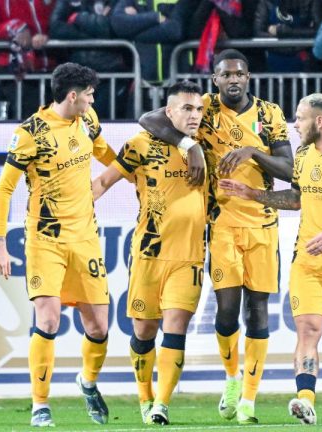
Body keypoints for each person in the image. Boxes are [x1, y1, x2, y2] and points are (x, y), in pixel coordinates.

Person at [139, 49, 294, 425]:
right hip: (221, 222)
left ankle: (248, 403)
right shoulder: (202, 109)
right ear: (216, 79)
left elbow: (290, 170)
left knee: (257, 312)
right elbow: (147, 119)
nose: (234, 80)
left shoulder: (269, 115)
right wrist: (188, 145)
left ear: (249, 76)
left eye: (240, 73)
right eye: (227, 75)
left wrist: (254, 152)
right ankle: (231, 379)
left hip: (263, 224)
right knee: (226, 311)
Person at [219, 93, 322, 426]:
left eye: (300, 118)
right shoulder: (303, 156)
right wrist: (253, 194)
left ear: (319, 121)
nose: (295, 125)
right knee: (308, 329)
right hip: (307, 258)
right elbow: (295, 198)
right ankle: (306, 400)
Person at [0, 62, 116, 427]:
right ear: (72, 95)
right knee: (48, 318)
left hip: (86, 237)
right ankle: (40, 405)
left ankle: (87, 383)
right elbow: (5, 190)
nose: (93, 99)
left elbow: (106, 154)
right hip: (45, 239)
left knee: (99, 328)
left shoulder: (88, 119)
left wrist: (140, 170)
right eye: (89, 94)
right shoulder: (31, 132)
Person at [91, 80, 206, 425]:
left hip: (189, 255)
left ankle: (162, 404)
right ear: (168, 112)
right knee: (144, 331)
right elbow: (103, 182)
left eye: (199, 109)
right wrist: (73, 209)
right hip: (148, 252)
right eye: (187, 109)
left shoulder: (207, 144)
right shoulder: (140, 144)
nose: (196, 116)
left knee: (175, 326)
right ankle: (145, 396)